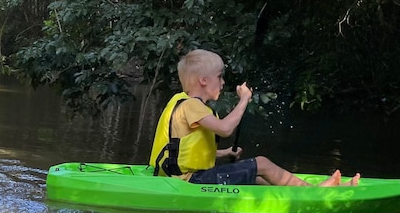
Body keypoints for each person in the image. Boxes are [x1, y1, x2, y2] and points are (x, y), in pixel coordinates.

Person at [150, 49, 359, 187]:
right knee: (262, 163)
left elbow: (186, 151)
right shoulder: (191, 106)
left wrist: (224, 153)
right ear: (203, 80)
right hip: (189, 182)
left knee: (258, 177)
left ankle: (296, 197)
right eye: (220, 76)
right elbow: (224, 129)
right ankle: (316, 192)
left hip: (186, 177)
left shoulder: (190, 106)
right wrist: (244, 100)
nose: (223, 83)